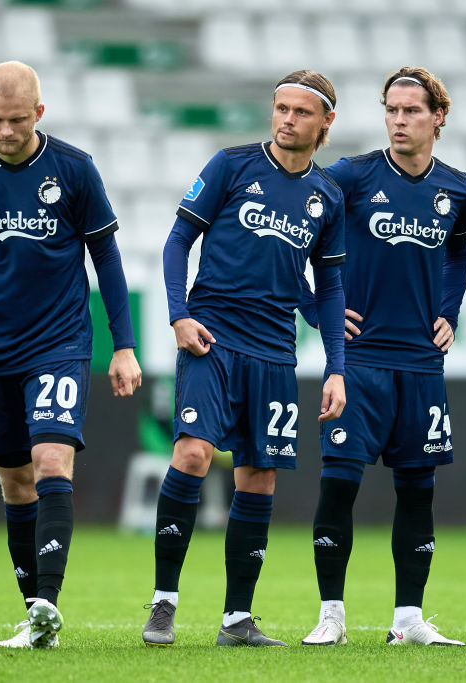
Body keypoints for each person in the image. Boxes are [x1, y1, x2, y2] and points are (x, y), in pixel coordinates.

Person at [0, 61, 142, 649]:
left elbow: (107, 259)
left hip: (59, 342)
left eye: (18, 120)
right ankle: (35, 618)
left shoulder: (74, 169)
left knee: (51, 461)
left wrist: (124, 345)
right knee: (16, 482)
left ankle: (49, 598)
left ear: (39, 113)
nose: (6, 131)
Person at [140, 70, 347, 648]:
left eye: (301, 112)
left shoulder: (328, 197)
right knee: (193, 453)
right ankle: (163, 602)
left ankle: (237, 618)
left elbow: (329, 286)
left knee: (259, 476)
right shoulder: (231, 165)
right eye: (281, 108)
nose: (287, 120)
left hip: (276, 352)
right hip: (212, 337)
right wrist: (179, 315)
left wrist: (337, 368)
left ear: (326, 122)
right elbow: (177, 241)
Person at [297, 67, 466, 647]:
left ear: (438, 117)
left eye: (411, 111)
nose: (399, 121)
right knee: (338, 486)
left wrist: (449, 310)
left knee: (418, 491)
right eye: (391, 110)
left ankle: (408, 620)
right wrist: (314, 306)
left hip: (421, 366)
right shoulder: (351, 176)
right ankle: (331, 616)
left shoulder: (457, 188)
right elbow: (293, 229)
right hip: (358, 362)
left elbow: (458, 254)